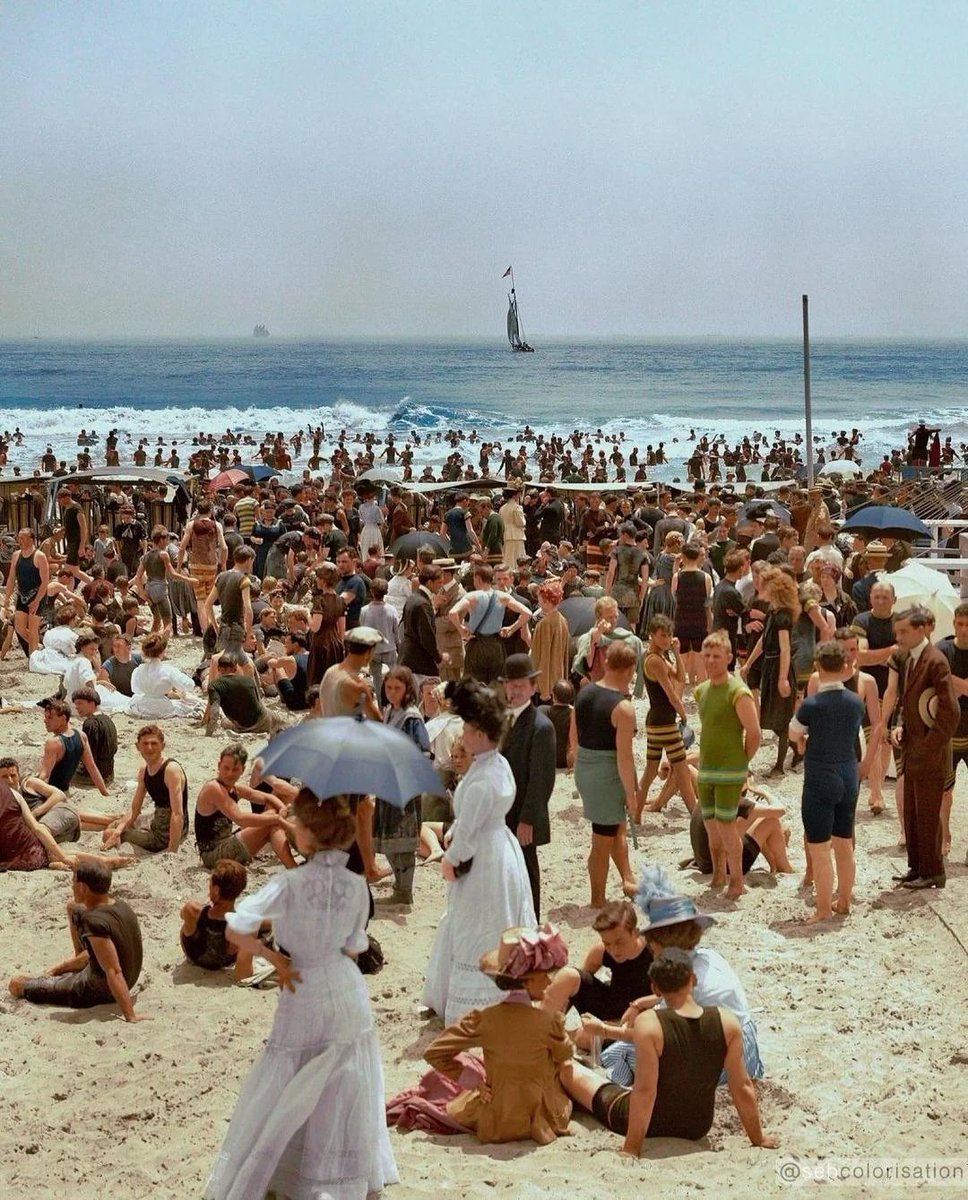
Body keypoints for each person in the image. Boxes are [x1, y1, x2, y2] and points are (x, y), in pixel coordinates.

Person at [204, 791, 398, 1200]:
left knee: (290, 1075)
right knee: (345, 1080)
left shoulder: (289, 883)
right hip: (346, 986)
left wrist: (273, 956)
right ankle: (341, 1174)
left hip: (303, 983)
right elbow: (355, 945)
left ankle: (284, 1170)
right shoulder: (355, 885)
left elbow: (237, 928)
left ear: (307, 835)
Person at [561, 947, 776, 1156]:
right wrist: (759, 1138)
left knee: (570, 1071)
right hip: (697, 1126)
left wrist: (632, 1148)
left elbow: (645, 1091)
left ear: (655, 989)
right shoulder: (727, 1023)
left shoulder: (650, 1024)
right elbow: (742, 1086)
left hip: (654, 1122)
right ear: (694, 980)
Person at [423, 680, 537, 1025]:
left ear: (483, 733)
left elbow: (469, 832)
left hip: (484, 858)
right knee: (499, 917)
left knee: (477, 924)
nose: (465, 734)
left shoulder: (483, 777)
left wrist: (450, 860)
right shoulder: (497, 765)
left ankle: (481, 1001)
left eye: (470, 729)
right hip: (502, 850)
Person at [415, 925, 572, 1145]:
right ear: (526, 981)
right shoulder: (549, 1022)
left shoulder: (484, 1019)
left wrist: (475, 1081)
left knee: (473, 1063)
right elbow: (564, 1055)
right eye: (544, 975)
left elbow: (435, 1052)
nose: (549, 981)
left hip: (497, 1118)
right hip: (543, 1117)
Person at [8, 860, 145, 1020]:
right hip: (128, 977)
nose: (72, 887)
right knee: (73, 907)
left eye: (73, 883)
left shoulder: (94, 922)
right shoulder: (122, 905)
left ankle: (73, 975)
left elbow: (113, 971)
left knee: (16, 984)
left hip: (99, 989)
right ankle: (77, 965)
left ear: (82, 887)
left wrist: (130, 1015)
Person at [789, 641, 866, 922]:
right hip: (848, 773)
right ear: (845, 666)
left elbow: (793, 731)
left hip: (820, 776)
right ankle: (843, 901)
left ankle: (822, 909)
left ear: (818, 667)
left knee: (820, 849)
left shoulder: (812, 704)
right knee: (845, 845)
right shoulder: (856, 702)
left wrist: (803, 744)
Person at [890, 607, 959, 890]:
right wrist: (902, 726)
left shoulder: (935, 661)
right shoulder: (910, 659)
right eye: (897, 632)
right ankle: (917, 868)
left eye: (904, 631)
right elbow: (912, 703)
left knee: (929, 814)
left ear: (921, 630)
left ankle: (933, 872)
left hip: (929, 754)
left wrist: (929, 747)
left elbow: (949, 713)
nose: (899, 637)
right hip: (913, 748)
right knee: (914, 813)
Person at [572, 639, 640, 907]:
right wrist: (632, 796)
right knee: (602, 840)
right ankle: (597, 900)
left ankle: (627, 878)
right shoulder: (623, 708)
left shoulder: (585, 692)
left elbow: (574, 736)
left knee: (614, 829)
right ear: (630, 670)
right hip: (606, 774)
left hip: (586, 768)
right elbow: (624, 758)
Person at [695, 631, 761, 899]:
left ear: (729, 658)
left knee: (727, 827)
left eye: (717, 656)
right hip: (706, 767)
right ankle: (719, 874)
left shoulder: (738, 692)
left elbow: (754, 732)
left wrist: (742, 761)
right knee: (710, 825)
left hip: (729, 770)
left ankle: (737, 881)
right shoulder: (701, 690)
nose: (711, 661)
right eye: (707, 655)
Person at [499, 654, 557, 920]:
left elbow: (541, 780)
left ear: (534, 687)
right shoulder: (502, 719)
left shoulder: (541, 727)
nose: (515, 689)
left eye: (521, 684)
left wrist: (528, 819)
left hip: (522, 814)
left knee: (526, 871)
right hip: (500, 813)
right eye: (511, 684)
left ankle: (531, 924)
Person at [541, 900, 653, 1034]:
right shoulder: (602, 951)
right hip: (612, 1006)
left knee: (587, 1038)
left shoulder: (654, 951)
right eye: (607, 943)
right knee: (568, 976)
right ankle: (542, 1031)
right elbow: (581, 981)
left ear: (634, 932)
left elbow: (672, 996)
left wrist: (638, 1005)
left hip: (643, 1019)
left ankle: (562, 1039)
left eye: (619, 942)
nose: (614, 950)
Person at [194, 743, 296, 870]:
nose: (230, 773)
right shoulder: (214, 788)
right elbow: (240, 818)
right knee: (271, 822)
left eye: (235, 769)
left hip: (228, 843)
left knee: (273, 813)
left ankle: (293, 867)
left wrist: (282, 809)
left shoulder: (235, 789)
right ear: (219, 766)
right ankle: (293, 868)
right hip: (213, 855)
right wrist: (278, 818)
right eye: (226, 768)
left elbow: (266, 797)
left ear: (242, 770)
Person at [376, 666, 429, 906]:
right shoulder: (389, 712)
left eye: (397, 688)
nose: (392, 692)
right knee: (388, 840)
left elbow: (423, 752)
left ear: (408, 689)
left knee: (404, 841)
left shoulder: (411, 718)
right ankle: (398, 885)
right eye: (389, 687)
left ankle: (404, 891)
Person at [637, 616, 697, 815]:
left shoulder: (657, 657)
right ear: (652, 635)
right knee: (681, 773)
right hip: (664, 722)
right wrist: (683, 714)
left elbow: (681, 677)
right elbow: (671, 694)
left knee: (651, 771)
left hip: (656, 721)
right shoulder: (655, 661)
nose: (666, 639)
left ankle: (635, 812)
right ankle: (695, 815)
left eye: (669, 635)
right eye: (662, 635)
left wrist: (676, 652)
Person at [743, 566, 799, 775]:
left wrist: (783, 678)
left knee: (781, 719)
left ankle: (780, 764)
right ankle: (797, 748)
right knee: (770, 716)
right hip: (770, 665)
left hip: (779, 668)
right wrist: (749, 663)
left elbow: (785, 648)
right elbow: (763, 641)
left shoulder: (783, 615)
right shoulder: (774, 612)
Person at [103, 725, 189, 854]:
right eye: (145, 743)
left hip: (164, 835)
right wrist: (118, 831)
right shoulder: (144, 770)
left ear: (163, 745)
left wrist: (172, 851)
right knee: (115, 826)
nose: (149, 748)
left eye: (154, 743)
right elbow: (135, 808)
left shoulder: (171, 770)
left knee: (107, 834)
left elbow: (177, 814)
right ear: (138, 746)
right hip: (155, 819)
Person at [450, 564, 532, 686]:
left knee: (474, 686)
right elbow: (527, 613)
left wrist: (461, 629)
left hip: (476, 645)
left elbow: (452, 613)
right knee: (497, 686)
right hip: (496, 646)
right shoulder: (503, 597)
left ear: (478, 578)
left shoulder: (471, 597)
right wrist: (512, 628)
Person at [181, 859, 262, 978]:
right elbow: (243, 975)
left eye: (210, 884)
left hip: (192, 954)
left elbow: (182, 916)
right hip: (222, 962)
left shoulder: (192, 910)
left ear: (216, 890)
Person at [37, 697, 111, 804]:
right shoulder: (81, 736)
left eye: (50, 717)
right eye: (45, 717)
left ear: (63, 719)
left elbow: (44, 776)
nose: (45, 720)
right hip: (65, 791)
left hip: (53, 795)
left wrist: (36, 800)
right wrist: (104, 792)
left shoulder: (53, 743)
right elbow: (91, 767)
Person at [937, 602, 968, 857]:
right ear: (954, 623)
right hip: (948, 733)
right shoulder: (943, 649)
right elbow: (935, 685)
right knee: (944, 792)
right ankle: (944, 836)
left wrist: (950, 681)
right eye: (960, 624)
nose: (964, 630)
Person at [129, 631, 204, 719]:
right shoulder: (168, 670)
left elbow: (136, 690)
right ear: (162, 651)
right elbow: (189, 685)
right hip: (163, 707)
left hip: (143, 705)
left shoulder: (139, 670)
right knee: (191, 705)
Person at [204, 652, 281, 736]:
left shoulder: (214, 685)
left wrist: (208, 734)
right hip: (264, 722)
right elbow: (259, 702)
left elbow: (215, 713)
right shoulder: (248, 680)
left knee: (224, 722)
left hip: (243, 728)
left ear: (218, 668)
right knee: (275, 716)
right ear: (235, 669)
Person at [2, 527, 49, 656]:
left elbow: (45, 582)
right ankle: (38, 649)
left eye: (23, 538)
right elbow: (12, 578)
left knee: (33, 630)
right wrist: (7, 598)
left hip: (37, 596)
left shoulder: (39, 556)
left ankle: (33, 660)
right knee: (19, 628)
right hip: (22, 595)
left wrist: (37, 601)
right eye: (19, 538)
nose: (19, 540)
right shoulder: (16, 555)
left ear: (31, 539)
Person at [399, 564, 446, 678]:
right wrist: (438, 657)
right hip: (419, 663)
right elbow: (426, 636)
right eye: (439, 582)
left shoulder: (413, 598)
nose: (441, 586)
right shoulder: (422, 604)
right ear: (430, 582)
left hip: (409, 658)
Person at [529, 581, 570, 704]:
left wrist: (544, 690)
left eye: (540, 600)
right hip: (558, 678)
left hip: (544, 682)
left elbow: (541, 656)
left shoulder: (544, 624)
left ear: (546, 601)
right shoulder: (563, 620)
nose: (539, 603)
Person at [72, 687, 117, 786]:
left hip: (93, 776)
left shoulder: (91, 724)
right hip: (109, 773)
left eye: (80, 703)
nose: (76, 707)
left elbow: (89, 757)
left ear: (92, 703)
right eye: (75, 704)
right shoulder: (108, 720)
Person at [539, 679, 576, 769]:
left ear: (554, 696)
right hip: (567, 762)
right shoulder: (575, 714)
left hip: (548, 761)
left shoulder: (542, 711)